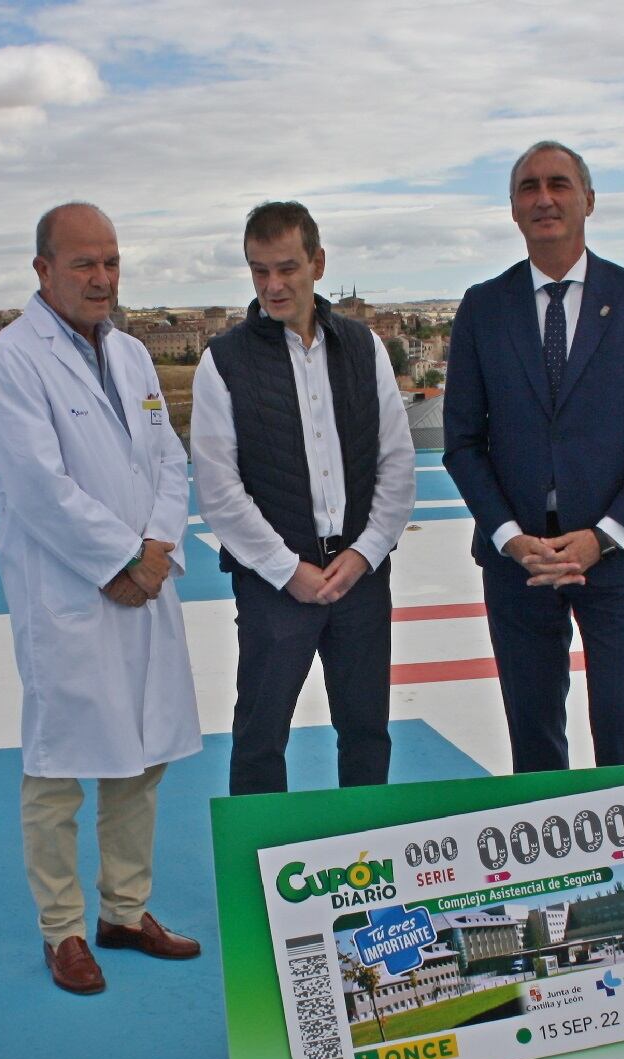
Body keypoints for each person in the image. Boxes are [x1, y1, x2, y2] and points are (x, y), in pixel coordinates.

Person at [0, 202, 203, 995]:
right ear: (43, 270)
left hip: (145, 579)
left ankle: (126, 910)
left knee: (141, 759)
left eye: (111, 262)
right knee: (59, 765)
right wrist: (121, 559)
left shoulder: (133, 356)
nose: (101, 278)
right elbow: (39, 487)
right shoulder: (6, 363)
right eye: (83, 264)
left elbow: (169, 457)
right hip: (70, 592)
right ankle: (63, 927)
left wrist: (159, 545)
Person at [442, 142, 624, 774]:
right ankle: (554, 872)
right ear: (513, 208)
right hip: (518, 563)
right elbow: (463, 442)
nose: (544, 198)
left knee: (619, 723)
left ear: (589, 199)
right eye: (529, 187)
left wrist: (603, 537)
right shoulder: (483, 307)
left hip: (617, 559)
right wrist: (508, 537)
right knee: (532, 733)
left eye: (559, 184)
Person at [191, 201, 416, 796]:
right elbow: (218, 489)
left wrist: (366, 552)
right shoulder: (223, 363)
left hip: (360, 577)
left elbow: (395, 460)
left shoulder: (365, 348)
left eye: (287, 268)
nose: (273, 285)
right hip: (273, 586)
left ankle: (369, 873)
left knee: (367, 733)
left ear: (317, 263)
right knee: (261, 738)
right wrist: (287, 570)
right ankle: (257, 874)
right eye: (259, 271)